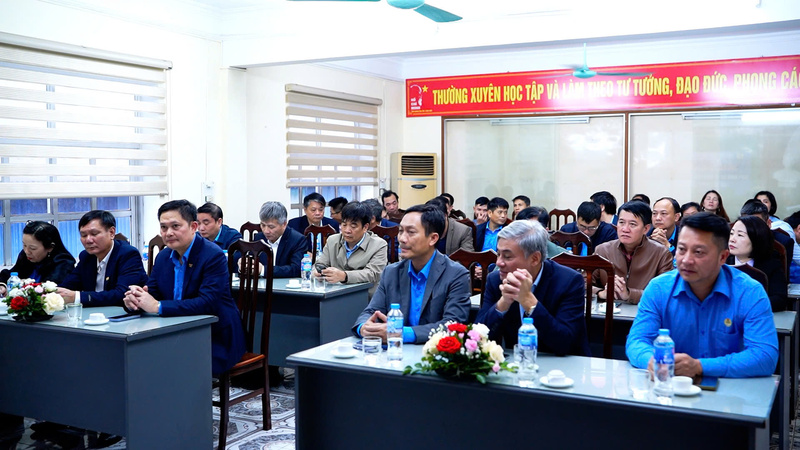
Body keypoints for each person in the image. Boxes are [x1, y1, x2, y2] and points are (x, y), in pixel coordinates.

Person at [626, 212, 779, 378]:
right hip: (669, 386)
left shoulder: (749, 292)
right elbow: (637, 341)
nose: (686, 260)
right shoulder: (658, 289)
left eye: (698, 252)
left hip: (729, 390)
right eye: (681, 249)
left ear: (722, 257)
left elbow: (765, 356)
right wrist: (651, 360)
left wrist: (699, 366)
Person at [123, 200, 246, 376]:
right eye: (164, 227)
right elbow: (154, 292)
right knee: (139, 357)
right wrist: (136, 300)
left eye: (175, 226)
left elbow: (207, 303)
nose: (168, 233)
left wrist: (157, 306)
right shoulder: (163, 256)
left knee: (171, 365)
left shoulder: (213, 255)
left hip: (214, 335)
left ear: (193, 226)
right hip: (175, 331)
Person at [352, 204, 471, 343]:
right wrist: (364, 328)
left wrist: (400, 333)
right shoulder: (391, 272)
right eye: (400, 231)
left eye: (411, 232)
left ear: (433, 238)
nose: (402, 239)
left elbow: (453, 325)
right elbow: (371, 311)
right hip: (395, 352)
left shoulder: (456, 274)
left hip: (433, 352)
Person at [475, 220, 590, 355]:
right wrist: (503, 304)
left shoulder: (569, 281)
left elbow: (565, 343)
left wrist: (528, 301)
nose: (499, 262)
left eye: (507, 256)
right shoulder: (496, 280)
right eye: (498, 254)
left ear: (535, 258)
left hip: (563, 364)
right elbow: (477, 339)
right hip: (517, 363)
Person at [57, 210, 148, 307]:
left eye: (94, 234)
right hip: (94, 313)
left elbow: (122, 294)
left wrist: (77, 297)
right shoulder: (86, 256)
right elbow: (68, 285)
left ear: (111, 232)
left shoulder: (128, 254)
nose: (88, 240)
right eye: (84, 235)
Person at [593, 201, 673, 304]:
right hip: (607, 311)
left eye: (632, 224)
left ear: (646, 229)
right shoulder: (602, 250)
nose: (625, 229)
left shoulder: (661, 254)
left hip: (643, 311)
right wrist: (601, 293)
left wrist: (629, 294)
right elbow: (583, 284)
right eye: (621, 222)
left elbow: (665, 293)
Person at [313, 201, 388, 296]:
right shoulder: (332, 240)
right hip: (334, 295)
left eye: (353, 226)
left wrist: (344, 276)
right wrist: (316, 272)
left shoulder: (379, 245)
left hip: (365, 297)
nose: (347, 230)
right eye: (344, 225)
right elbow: (319, 264)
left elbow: (373, 274)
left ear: (365, 227)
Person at [727, 216, 788, 311]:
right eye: (731, 233)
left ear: (756, 239)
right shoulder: (722, 262)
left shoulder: (771, 264)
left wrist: (748, 305)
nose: (732, 239)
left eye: (740, 235)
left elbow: (780, 299)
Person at [0, 221, 75, 292]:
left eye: (32, 248)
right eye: (24, 245)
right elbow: (11, 274)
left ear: (50, 247)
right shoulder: (25, 255)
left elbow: (48, 288)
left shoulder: (64, 262)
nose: (26, 251)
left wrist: (23, 284)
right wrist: (2, 285)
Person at [252, 201, 307, 278]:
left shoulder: (298, 240)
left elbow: (296, 269)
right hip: (261, 284)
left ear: (284, 224)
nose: (266, 231)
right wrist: (245, 265)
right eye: (263, 225)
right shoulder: (259, 238)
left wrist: (264, 270)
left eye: (271, 227)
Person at [740, 199, 794, 272]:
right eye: (747, 224)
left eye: (757, 223)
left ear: (768, 223)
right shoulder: (733, 239)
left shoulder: (784, 242)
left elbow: (783, 274)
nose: (751, 228)